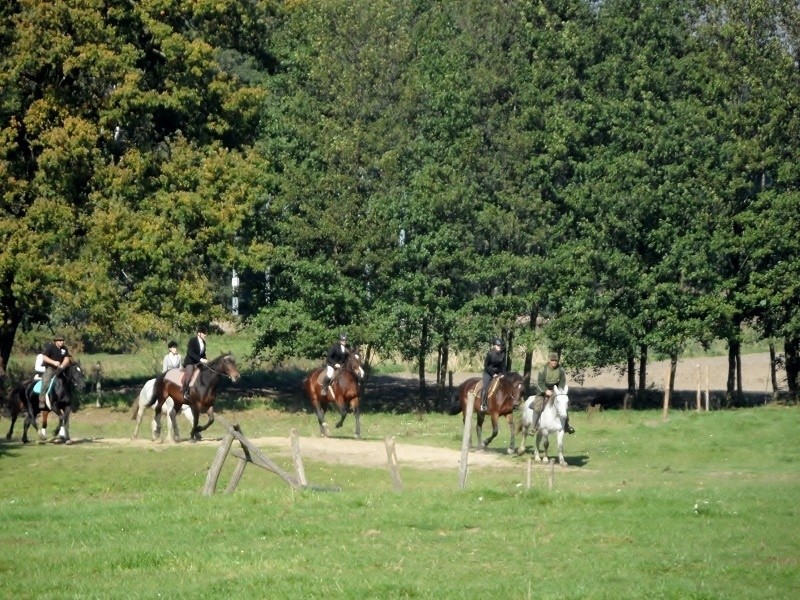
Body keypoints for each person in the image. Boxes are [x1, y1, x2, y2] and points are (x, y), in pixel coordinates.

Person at [533, 351, 574, 434]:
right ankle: (534, 427)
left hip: (556, 391)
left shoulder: (561, 370)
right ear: (549, 360)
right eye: (552, 360)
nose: (554, 362)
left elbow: (562, 382)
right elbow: (540, 382)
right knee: (537, 407)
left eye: (556, 361)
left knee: (563, 406)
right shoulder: (543, 370)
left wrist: (558, 392)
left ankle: (567, 426)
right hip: (543, 391)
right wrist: (545, 391)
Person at [38, 334, 71, 409]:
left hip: (60, 368)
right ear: (56, 341)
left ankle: (69, 398)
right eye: (60, 341)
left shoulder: (65, 349)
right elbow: (44, 357)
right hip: (51, 368)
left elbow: (66, 359)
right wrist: (54, 362)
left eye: (62, 340)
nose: (62, 342)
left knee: (69, 379)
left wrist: (62, 365)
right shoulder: (50, 347)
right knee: (45, 381)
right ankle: (41, 400)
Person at [480, 338, 507, 412]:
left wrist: (503, 374)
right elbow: (486, 366)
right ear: (495, 346)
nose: (500, 347)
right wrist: (493, 374)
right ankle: (483, 404)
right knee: (485, 387)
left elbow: (503, 366)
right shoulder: (490, 354)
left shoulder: (503, 354)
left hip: (498, 372)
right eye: (498, 346)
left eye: (501, 346)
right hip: (488, 372)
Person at [181, 326, 208, 401]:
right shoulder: (192, 340)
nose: (205, 335)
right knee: (189, 374)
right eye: (204, 333)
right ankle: (185, 391)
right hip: (190, 362)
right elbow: (190, 353)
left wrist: (206, 359)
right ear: (199, 333)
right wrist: (200, 359)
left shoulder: (203, 343)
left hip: (199, 362)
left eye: (205, 333)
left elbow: (202, 354)